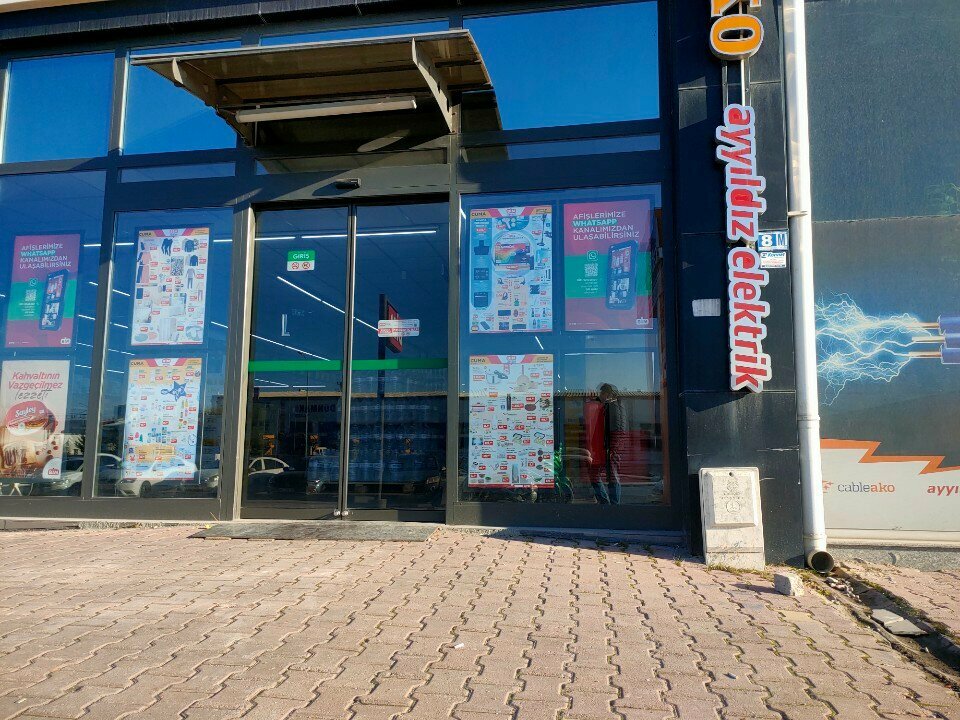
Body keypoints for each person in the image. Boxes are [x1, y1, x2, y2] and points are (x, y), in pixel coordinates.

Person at [589, 383, 625, 505]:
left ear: (608, 394)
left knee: (610, 476)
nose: (600, 396)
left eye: (602, 393)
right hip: (607, 447)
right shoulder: (611, 406)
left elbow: (618, 430)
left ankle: (611, 506)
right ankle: (609, 505)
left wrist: (613, 449)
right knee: (604, 475)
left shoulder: (614, 407)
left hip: (610, 448)